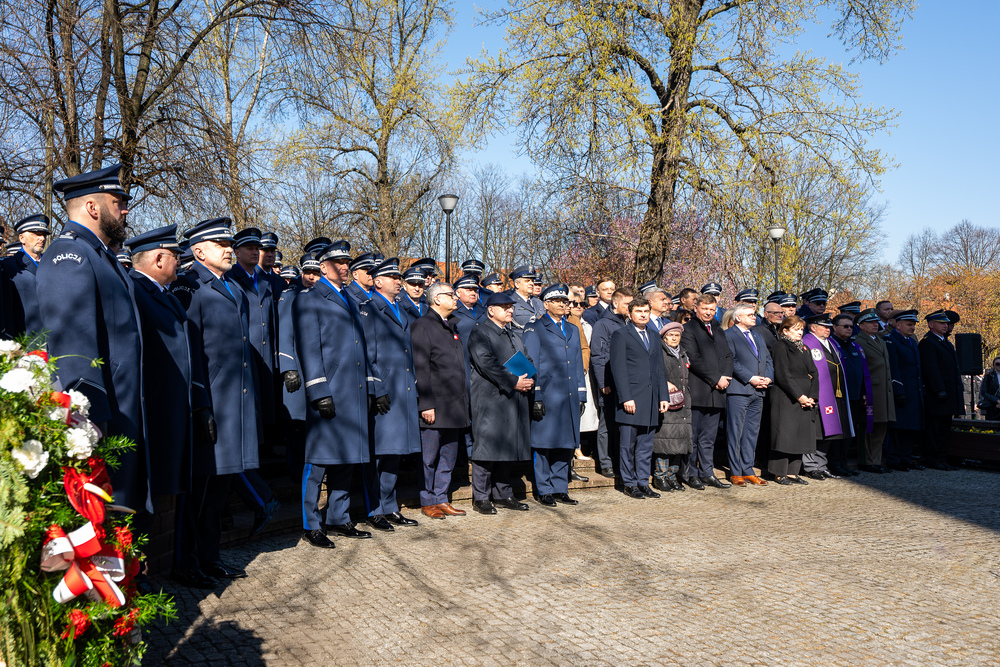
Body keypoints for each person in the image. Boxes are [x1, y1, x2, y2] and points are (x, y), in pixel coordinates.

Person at [36, 164, 147, 511]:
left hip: (123, 412)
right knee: (103, 521)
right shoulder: (70, 254)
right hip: (102, 418)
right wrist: (89, 420)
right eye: (118, 202)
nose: (125, 209)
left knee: (125, 518)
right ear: (93, 208)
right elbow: (72, 344)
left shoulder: (103, 257)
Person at [170, 217, 259, 581]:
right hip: (211, 405)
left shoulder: (233, 287)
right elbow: (189, 353)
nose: (228, 248)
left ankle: (209, 558)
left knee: (219, 490)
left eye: (228, 242)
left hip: (233, 406)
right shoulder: (189, 288)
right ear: (198, 250)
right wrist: (200, 404)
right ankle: (186, 562)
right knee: (200, 491)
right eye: (220, 243)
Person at [293, 239, 386, 548]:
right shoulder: (310, 297)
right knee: (317, 462)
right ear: (323, 267)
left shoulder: (349, 297)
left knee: (347, 458)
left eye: (347, 262)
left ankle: (339, 517)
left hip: (353, 390)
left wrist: (371, 385)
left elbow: (363, 347)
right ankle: (311, 524)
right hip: (329, 389)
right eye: (338, 263)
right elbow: (309, 346)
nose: (345, 267)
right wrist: (319, 389)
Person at [360, 258, 421, 530]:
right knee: (379, 454)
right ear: (378, 281)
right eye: (392, 277)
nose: (399, 281)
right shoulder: (370, 308)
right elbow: (367, 353)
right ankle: (374, 509)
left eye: (399, 277)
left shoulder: (402, 310)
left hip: (403, 389)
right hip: (383, 391)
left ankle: (389, 505)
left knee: (394, 453)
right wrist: (376, 387)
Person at [467, 291, 534, 514]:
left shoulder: (514, 334)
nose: (510, 310)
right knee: (486, 449)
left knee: (508, 447)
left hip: (514, 399)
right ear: (490, 310)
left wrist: (531, 377)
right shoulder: (480, 332)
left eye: (511, 306)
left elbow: (527, 359)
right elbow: (487, 363)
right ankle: (481, 497)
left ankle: (503, 493)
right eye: (504, 306)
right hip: (490, 399)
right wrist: (513, 381)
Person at [522, 284, 586, 506]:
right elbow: (531, 363)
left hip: (568, 395)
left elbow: (577, 362)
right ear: (546, 304)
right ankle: (544, 489)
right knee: (544, 444)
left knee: (566, 444)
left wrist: (581, 394)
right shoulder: (536, 328)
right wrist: (536, 396)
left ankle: (560, 488)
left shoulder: (572, 329)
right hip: (548, 393)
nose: (562, 304)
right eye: (557, 300)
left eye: (564, 301)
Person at [411, 281, 470, 520]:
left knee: (449, 455)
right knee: (429, 457)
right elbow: (421, 367)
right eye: (451, 295)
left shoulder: (452, 326)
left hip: (455, 404)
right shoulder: (422, 326)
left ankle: (442, 497)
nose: (456, 298)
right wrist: (426, 403)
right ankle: (428, 499)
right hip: (434, 404)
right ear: (437, 299)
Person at [610, 297, 669, 498]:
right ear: (630, 313)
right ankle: (629, 483)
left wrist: (664, 395)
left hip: (651, 398)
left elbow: (660, 368)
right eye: (638, 311)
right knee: (628, 444)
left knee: (645, 444)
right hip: (631, 398)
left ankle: (643, 482)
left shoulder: (654, 335)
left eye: (646, 311)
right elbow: (618, 368)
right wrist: (626, 397)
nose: (643, 314)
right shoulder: (621, 335)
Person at [680, 294, 734, 490]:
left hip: (718, 392)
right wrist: (716, 378)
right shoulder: (688, 329)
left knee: (709, 438)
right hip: (699, 390)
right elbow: (692, 358)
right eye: (705, 309)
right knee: (693, 437)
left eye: (712, 309)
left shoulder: (718, 329)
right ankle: (690, 474)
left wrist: (726, 377)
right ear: (696, 308)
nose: (709, 313)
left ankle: (707, 472)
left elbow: (728, 355)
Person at [723, 303, 773, 486]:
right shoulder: (728, 335)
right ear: (738, 318)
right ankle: (735, 471)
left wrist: (768, 378)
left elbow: (767, 359)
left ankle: (748, 469)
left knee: (751, 432)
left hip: (758, 391)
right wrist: (750, 378)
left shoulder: (758, 336)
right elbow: (731, 361)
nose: (754, 317)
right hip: (739, 390)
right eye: (750, 314)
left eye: (754, 314)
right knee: (735, 432)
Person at [768, 316, 818, 485]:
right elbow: (783, 375)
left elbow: (814, 372)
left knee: (800, 434)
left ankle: (793, 472)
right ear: (785, 331)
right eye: (796, 329)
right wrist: (800, 396)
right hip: (786, 396)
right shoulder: (780, 346)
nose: (799, 332)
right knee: (785, 434)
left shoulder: (804, 348)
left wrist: (812, 396)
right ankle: (779, 472)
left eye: (801, 329)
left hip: (805, 396)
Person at [801, 314, 851, 480]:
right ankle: (810, 466)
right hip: (817, 394)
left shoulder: (831, 343)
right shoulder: (807, 342)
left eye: (829, 326)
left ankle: (821, 465)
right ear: (813, 327)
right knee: (815, 432)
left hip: (834, 393)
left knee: (828, 432)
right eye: (824, 326)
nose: (828, 329)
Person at [589, 288, 633, 477]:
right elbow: (598, 356)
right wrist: (603, 382)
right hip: (609, 381)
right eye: (626, 305)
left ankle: (620, 460)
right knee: (607, 423)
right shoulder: (603, 324)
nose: (630, 308)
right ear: (615, 304)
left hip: (627, 382)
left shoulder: (629, 323)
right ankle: (605, 461)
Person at [918, 310, 963, 470]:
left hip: (948, 393)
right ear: (931, 325)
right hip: (936, 395)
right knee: (934, 428)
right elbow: (931, 369)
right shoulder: (928, 342)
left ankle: (941, 457)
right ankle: (932, 458)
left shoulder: (944, 342)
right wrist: (939, 389)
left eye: (946, 323)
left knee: (944, 428)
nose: (946, 326)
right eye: (941, 323)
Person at [853, 309, 897, 472]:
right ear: (862, 325)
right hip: (871, 391)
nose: (875, 325)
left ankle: (876, 461)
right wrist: (863, 391)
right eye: (870, 323)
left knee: (881, 427)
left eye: (876, 322)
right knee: (868, 428)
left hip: (884, 391)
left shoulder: (880, 340)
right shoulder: (858, 341)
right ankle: (867, 461)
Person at [883, 310, 926, 470]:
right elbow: (894, 368)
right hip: (901, 390)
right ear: (898, 325)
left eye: (913, 325)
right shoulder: (890, 341)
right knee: (897, 428)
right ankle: (894, 459)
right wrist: (898, 390)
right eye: (909, 324)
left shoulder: (911, 342)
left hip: (914, 391)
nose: (913, 328)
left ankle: (905, 458)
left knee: (911, 427)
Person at [829, 314, 870, 476]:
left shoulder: (854, 346)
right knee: (839, 432)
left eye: (851, 326)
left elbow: (862, 372)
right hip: (838, 396)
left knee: (849, 433)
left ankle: (843, 462)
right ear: (835, 328)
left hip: (854, 396)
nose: (849, 329)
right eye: (845, 326)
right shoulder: (832, 345)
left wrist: (864, 393)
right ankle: (835, 463)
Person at [652, 321, 691, 492]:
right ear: (664, 337)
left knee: (680, 441)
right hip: (667, 400)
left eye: (677, 335)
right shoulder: (659, 352)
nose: (674, 338)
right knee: (665, 441)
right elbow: (653, 371)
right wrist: (665, 383)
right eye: (670, 335)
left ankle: (672, 476)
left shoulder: (683, 353)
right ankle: (660, 476)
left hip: (683, 401)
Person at [1, 214, 48, 338]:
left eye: (43, 234)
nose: (42, 238)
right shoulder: (9, 267)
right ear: (22, 238)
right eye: (36, 234)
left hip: (54, 342)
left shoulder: (53, 264)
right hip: (25, 342)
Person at [568, 289, 595, 471]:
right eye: (572, 303)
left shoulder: (576, 322)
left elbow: (585, 348)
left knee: (577, 414)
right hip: (560, 376)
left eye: (580, 304)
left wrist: (582, 367)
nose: (574, 307)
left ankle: (575, 449)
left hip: (578, 373)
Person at [507, 265, 545, 334]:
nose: (531, 283)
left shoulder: (538, 302)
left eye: (532, 281)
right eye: (527, 281)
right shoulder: (509, 302)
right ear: (517, 284)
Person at [977, 357, 1000, 421]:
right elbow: (983, 392)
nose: (999, 366)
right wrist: (997, 400)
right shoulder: (989, 376)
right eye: (997, 364)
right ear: (994, 365)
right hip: (992, 406)